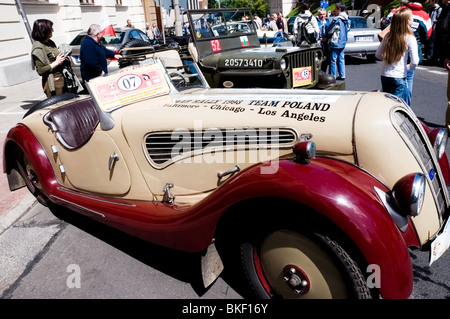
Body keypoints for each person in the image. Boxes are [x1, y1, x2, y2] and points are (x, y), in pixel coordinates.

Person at [375, 7, 419, 105]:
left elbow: (378, 54)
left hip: (385, 73)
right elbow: (415, 61)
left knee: (386, 102)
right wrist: (406, 68)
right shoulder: (410, 38)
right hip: (399, 75)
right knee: (395, 104)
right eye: (412, 18)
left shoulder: (388, 36)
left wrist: (388, 59)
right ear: (408, 21)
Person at [31, 19, 67, 97]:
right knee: (58, 106)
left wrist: (64, 58)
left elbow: (55, 55)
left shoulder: (50, 42)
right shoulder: (38, 48)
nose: (53, 30)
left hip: (61, 78)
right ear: (44, 31)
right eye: (51, 28)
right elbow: (40, 71)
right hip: (53, 82)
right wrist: (56, 63)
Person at [325, 2, 349, 80]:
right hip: (343, 41)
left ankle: (332, 76)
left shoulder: (337, 19)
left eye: (335, 8)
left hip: (336, 41)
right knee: (341, 58)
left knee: (333, 59)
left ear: (339, 9)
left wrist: (327, 35)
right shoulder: (347, 18)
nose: (334, 10)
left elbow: (330, 30)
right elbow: (348, 29)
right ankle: (342, 75)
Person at [432, 0, 450, 66]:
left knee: (443, 46)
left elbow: (447, 18)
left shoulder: (449, 6)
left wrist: (438, 21)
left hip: (445, 30)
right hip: (443, 29)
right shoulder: (445, 6)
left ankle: (442, 60)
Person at [317, 8, 330, 72]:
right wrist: (320, 38)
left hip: (326, 43)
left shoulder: (327, 23)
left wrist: (326, 38)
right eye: (320, 14)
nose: (322, 16)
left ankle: (324, 71)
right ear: (318, 15)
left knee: (326, 59)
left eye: (324, 14)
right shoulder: (316, 23)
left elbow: (330, 32)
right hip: (319, 43)